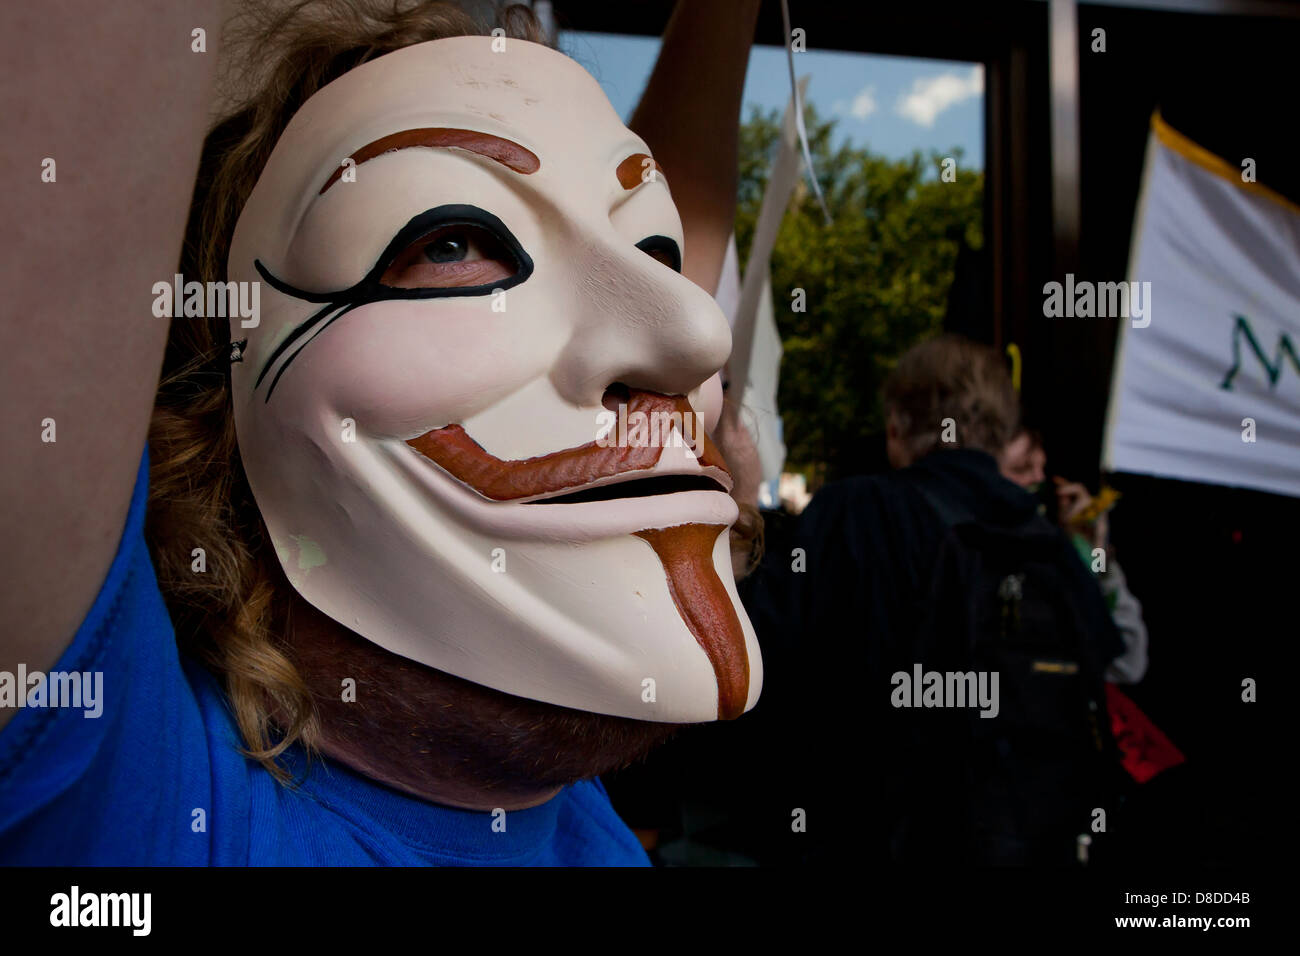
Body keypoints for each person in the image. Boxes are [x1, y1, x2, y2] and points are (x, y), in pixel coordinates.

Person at [0, 0, 765, 866]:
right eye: (454, 240)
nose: (695, 333)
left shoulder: (575, 828)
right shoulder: (137, 803)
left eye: (656, 251)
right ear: (213, 402)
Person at [740, 334, 1126, 865]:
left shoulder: (855, 513)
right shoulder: (1050, 544)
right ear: (1001, 433)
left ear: (896, 425)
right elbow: (1112, 664)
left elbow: (745, 657)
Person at [998, 427, 1148, 684]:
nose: (1039, 479)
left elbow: (1126, 664)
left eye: (1041, 468)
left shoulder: (1068, 558)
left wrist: (1095, 551)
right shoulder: (973, 555)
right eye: (1023, 469)